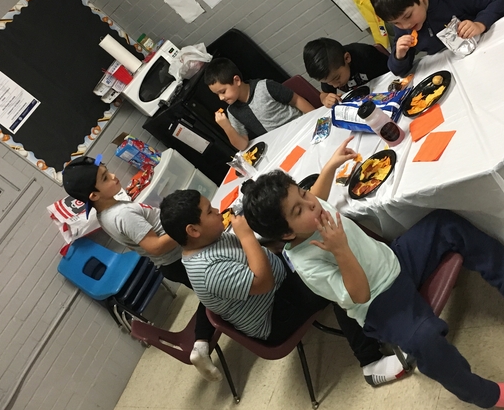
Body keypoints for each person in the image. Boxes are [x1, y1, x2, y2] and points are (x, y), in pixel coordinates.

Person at [242, 141, 504, 408]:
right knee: (425, 340)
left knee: (444, 223)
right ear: (285, 235)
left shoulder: (313, 206)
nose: (311, 205)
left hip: (395, 261)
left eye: (303, 194)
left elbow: (317, 194)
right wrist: (340, 250)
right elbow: (359, 296)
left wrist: (330, 167)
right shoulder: (307, 263)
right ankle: (486, 396)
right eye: (299, 210)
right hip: (379, 304)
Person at [159, 165, 412, 387]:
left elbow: (257, 254)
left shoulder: (209, 238)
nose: (217, 210)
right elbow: (263, 281)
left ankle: (384, 279)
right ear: (193, 230)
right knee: (332, 284)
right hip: (273, 315)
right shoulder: (206, 270)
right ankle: (371, 363)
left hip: (279, 277)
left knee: (306, 239)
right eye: (209, 212)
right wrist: (247, 236)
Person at [62, 154, 223, 382]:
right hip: (178, 259)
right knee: (215, 296)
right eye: (106, 177)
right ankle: (201, 344)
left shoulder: (106, 213)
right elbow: (155, 247)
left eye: (108, 171)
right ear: (94, 195)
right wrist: (183, 229)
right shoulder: (122, 215)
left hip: (173, 261)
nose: (115, 176)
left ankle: (201, 343)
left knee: (211, 295)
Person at [368, 0, 504, 76]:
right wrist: (399, 55)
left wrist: (480, 23)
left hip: (489, 52)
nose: (405, 26)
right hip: (458, 71)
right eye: (396, 23)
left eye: (408, 16)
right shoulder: (403, 25)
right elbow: (399, 71)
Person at [204, 58, 315, 151]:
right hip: (281, 146)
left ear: (237, 80)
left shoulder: (265, 87)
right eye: (216, 94)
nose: (221, 98)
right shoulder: (232, 111)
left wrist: (317, 119)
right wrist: (227, 127)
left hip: (302, 130)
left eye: (223, 92)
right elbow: (242, 145)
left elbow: (297, 100)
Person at [302, 38, 389, 108]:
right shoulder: (328, 72)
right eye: (328, 82)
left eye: (337, 78)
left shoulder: (365, 54)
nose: (335, 85)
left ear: (347, 58)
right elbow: (324, 94)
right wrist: (325, 99)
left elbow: (393, 73)